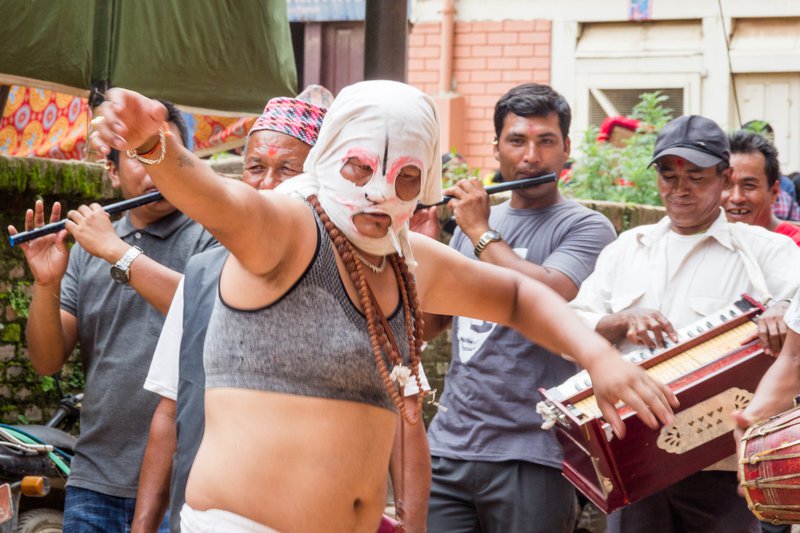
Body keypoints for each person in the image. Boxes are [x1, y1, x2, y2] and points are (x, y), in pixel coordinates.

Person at [89, 80, 677, 533]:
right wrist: (152, 144)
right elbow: (216, 198)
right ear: (328, 161)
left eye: (403, 177)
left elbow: (520, 296)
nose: (377, 192)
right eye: (360, 168)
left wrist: (597, 358)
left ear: (423, 187)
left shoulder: (405, 256)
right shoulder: (287, 228)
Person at [570, 114, 800, 533]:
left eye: (696, 176)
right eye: (668, 174)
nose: (680, 189)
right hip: (635, 467)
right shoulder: (627, 250)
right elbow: (569, 328)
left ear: (724, 177)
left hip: (725, 469)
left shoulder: (770, 252)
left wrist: (783, 308)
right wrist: (619, 321)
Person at [8, 101, 217, 532]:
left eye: (164, 154)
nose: (153, 170)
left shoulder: (211, 237)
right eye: (139, 156)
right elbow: (47, 361)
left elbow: (202, 310)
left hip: (185, 480)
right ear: (113, 171)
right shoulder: (87, 248)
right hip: (95, 478)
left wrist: (118, 252)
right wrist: (45, 284)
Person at [424, 83, 617, 533]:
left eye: (546, 141)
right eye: (517, 141)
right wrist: (422, 244)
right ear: (496, 148)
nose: (531, 156)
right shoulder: (474, 227)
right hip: (450, 445)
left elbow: (548, 293)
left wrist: (479, 232)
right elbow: (435, 321)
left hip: (535, 451)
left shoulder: (587, 227)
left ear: (566, 148)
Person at [723, 130, 800, 245]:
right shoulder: (707, 242)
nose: (737, 198)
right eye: (726, 184)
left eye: (749, 185)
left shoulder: (794, 246)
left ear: (774, 192)